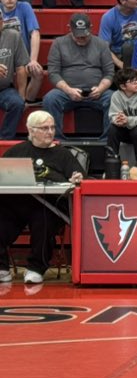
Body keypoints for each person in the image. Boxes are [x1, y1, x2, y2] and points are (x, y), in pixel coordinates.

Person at [0, 111, 84, 285]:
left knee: (43, 220)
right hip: (17, 206)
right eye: (44, 128)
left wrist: (77, 178)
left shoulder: (63, 154)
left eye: (52, 127)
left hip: (49, 206)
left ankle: (36, 268)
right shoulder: (17, 151)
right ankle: (2, 268)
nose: (50, 132)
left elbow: (79, 177)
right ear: (31, 130)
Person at [43, 13, 115, 139]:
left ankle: (107, 141)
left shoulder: (102, 44)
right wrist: (68, 90)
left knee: (114, 98)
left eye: (84, 36)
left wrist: (101, 88)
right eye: (78, 36)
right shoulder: (59, 43)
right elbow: (53, 73)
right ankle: (56, 140)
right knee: (50, 98)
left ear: (91, 28)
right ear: (69, 28)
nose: (81, 39)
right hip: (67, 92)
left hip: (97, 92)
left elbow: (109, 73)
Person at [0, 0, 43, 101]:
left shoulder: (24, 7)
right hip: (3, 55)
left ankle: (25, 100)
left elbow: (34, 33)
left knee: (36, 71)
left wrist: (33, 60)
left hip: (22, 57)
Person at [106, 66, 137, 160]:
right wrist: (118, 120)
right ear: (122, 86)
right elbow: (113, 115)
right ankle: (111, 163)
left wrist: (127, 120)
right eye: (132, 81)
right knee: (113, 129)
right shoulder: (116, 96)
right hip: (126, 130)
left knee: (136, 130)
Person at [0, 23, 26, 139]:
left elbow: (20, 68)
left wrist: (22, 96)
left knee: (17, 103)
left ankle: (5, 140)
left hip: (4, 89)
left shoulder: (13, 36)